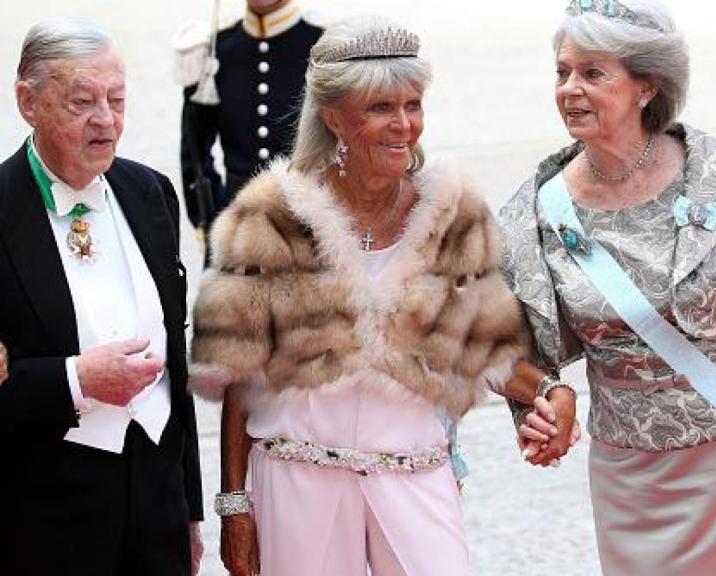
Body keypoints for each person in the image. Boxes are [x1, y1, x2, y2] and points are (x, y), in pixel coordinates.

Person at [188, 15, 560, 576]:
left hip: (414, 474)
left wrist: (551, 393)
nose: (404, 126)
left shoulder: (450, 214)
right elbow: (240, 375)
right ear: (334, 117)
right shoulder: (271, 215)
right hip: (295, 478)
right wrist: (234, 505)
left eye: (413, 105)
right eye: (382, 108)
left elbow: (485, 350)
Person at [501, 1, 716, 574]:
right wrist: (538, 411)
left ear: (646, 86)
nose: (570, 90)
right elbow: (512, 348)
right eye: (562, 72)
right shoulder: (537, 212)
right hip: (636, 475)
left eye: (593, 73)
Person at [0, 17, 203, 576]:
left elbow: (176, 365)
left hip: (158, 504)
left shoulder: (151, 192)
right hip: (42, 518)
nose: (106, 121)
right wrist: (76, 381)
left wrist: (190, 508)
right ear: (28, 102)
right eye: (82, 102)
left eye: (117, 99)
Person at [173, 0, 325, 237]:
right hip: (234, 229)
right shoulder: (214, 48)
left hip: (310, 229)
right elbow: (194, 150)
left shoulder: (323, 44)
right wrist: (212, 218)